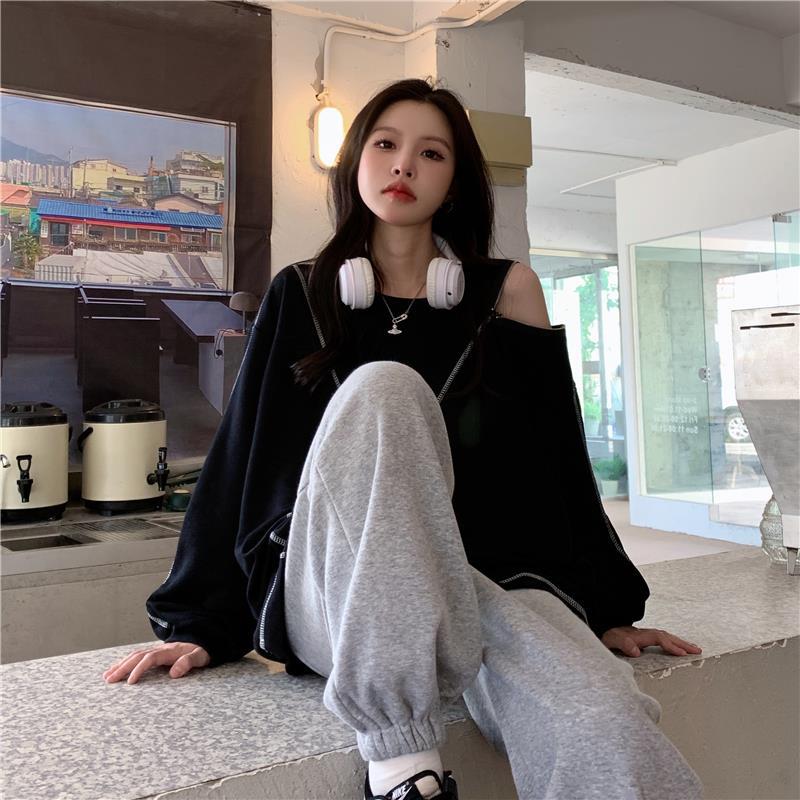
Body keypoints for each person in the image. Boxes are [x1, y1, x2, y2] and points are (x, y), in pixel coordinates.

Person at [103, 78, 704, 800]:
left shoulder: (508, 292)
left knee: (602, 715)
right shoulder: (301, 292)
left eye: (431, 153)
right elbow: (240, 457)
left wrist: (606, 608)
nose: (403, 165)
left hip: (481, 585)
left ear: (454, 181)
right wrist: (201, 620)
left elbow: (557, 457)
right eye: (385, 144)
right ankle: (402, 765)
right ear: (357, 162)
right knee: (386, 387)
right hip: (337, 589)